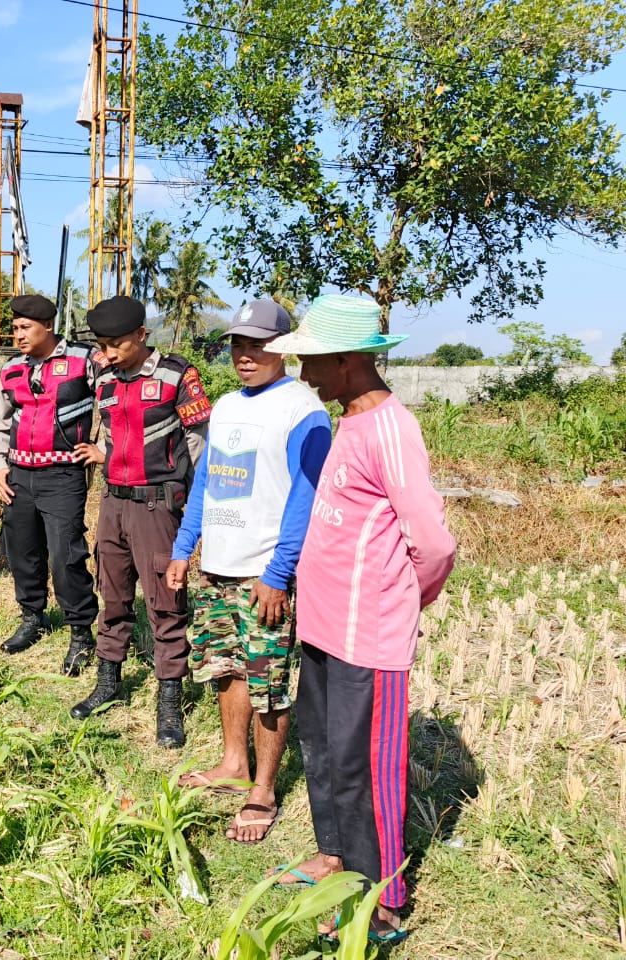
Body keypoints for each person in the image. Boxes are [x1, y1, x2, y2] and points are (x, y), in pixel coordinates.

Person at [262, 294, 456, 945]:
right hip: (321, 626)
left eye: (313, 361)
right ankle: (335, 856)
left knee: (365, 766)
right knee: (323, 749)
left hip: (367, 634)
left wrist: (406, 599)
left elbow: (432, 543)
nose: (304, 373)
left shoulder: (391, 428)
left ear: (347, 360)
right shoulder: (346, 419)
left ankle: (382, 897)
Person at [164, 299, 332, 843]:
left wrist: (279, 573)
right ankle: (234, 764)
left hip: (264, 574)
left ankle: (263, 787)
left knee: (269, 682)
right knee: (226, 669)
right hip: (217, 568)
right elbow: (207, 484)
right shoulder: (228, 407)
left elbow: (304, 500)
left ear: (282, 348)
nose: (245, 354)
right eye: (238, 343)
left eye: (258, 344)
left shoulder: (303, 411)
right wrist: (184, 548)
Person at [69, 295, 213, 748]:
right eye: (102, 346)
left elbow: (198, 442)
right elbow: (112, 435)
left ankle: (169, 698)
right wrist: (107, 457)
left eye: (115, 345)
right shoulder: (105, 380)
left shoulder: (176, 375)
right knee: (111, 595)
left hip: (157, 506)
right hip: (113, 502)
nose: (107, 355)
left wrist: (178, 494)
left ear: (141, 336)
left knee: (166, 604)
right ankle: (108, 681)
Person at [0, 294, 103, 675]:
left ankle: (80, 632)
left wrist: (103, 449)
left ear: (48, 327)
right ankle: (32, 617)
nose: (18, 335)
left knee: (65, 555)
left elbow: (117, 401)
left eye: (25, 328)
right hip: (19, 475)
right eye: (15, 328)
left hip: (63, 477)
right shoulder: (11, 369)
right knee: (23, 551)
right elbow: (0, 422)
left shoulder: (84, 361)